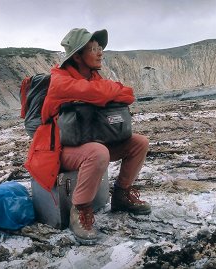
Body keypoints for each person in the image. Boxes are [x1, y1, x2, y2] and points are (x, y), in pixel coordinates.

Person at [25, 28, 151, 244]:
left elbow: (128, 94)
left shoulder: (93, 77)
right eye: (94, 49)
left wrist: (104, 90)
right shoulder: (60, 81)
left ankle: (121, 196)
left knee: (139, 142)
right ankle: (80, 211)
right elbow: (101, 92)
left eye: (100, 48)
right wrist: (107, 90)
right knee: (98, 152)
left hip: (87, 142)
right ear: (76, 55)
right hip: (59, 150)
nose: (100, 53)